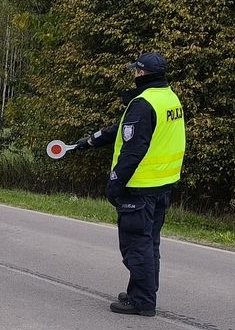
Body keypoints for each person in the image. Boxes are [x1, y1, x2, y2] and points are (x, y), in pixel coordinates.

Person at [71, 52, 186, 316]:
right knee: (149, 242)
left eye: (136, 70)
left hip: (140, 187)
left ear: (142, 73)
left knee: (136, 243)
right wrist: (90, 141)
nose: (133, 74)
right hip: (162, 184)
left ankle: (143, 301)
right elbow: (123, 128)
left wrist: (115, 183)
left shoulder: (143, 103)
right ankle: (142, 291)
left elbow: (133, 149)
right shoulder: (168, 97)